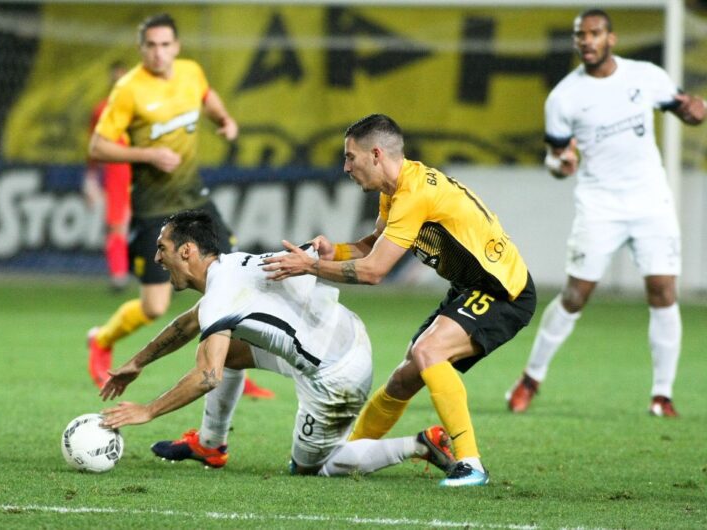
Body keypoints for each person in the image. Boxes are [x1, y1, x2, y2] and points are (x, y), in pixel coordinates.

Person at [262, 114, 536, 487]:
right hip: (469, 287)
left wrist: (309, 267)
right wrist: (332, 252)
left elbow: (374, 271)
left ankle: (471, 464)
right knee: (404, 378)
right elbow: (371, 247)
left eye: (350, 157)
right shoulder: (395, 190)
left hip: (502, 290)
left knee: (428, 353)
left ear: (376, 154)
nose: (346, 167)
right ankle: (349, 455)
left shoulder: (414, 193)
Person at [100, 209, 456, 480]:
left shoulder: (220, 299)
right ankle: (210, 445)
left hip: (337, 374)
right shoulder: (231, 266)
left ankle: (419, 444)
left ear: (187, 251)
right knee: (227, 352)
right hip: (344, 332)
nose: (157, 258)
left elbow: (208, 377)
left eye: (162, 249)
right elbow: (189, 323)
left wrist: (148, 411)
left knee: (313, 467)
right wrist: (138, 362)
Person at [505, 9, 705, 418]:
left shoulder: (645, 76)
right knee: (575, 295)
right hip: (599, 205)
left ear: (610, 38)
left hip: (651, 202)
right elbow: (556, 157)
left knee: (663, 291)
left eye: (595, 33)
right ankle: (530, 379)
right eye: (581, 35)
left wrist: (696, 112)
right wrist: (560, 165)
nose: (587, 41)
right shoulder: (563, 97)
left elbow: (687, 110)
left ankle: (662, 395)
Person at [86, 13, 274, 401]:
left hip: (195, 198)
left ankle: (233, 362)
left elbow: (207, 97)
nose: (158, 52)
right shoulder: (128, 89)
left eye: (165, 45)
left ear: (176, 46)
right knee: (155, 306)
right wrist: (148, 154)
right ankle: (101, 339)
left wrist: (224, 119)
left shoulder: (191, 72)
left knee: (232, 279)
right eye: (151, 46)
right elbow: (97, 147)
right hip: (154, 206)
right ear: (142, 49)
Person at [83, 61, 132, 292]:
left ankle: (165, 275)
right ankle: (118, 275)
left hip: (143, 170)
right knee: (116, 226)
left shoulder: (143, 109)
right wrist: (91, 177)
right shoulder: (101, 110)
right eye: (115, 79)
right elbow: (94, 146)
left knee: (154, 223)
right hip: (115, 172)